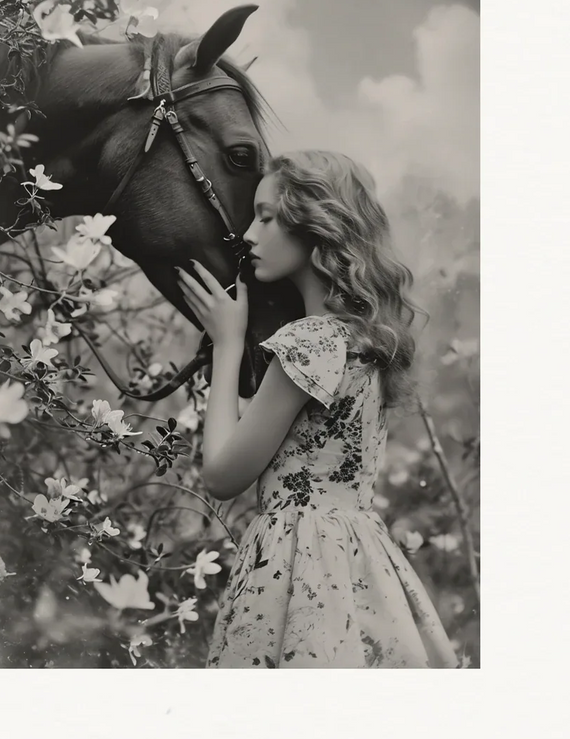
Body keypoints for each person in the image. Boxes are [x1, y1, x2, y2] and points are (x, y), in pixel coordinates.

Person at [176, 150, 459, 669]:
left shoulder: (308, 343)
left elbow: (220, 476)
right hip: (359, 560)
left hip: (295, 564)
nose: (249, 235)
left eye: (265, 216)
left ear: (315, 223)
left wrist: (227, 342)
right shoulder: (363, 342)